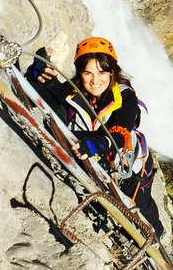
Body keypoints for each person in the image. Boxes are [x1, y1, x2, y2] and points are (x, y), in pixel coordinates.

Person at [26, 37, 164, 237]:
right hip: (100, 165)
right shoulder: (73, 89)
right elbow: (42, 100)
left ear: (112, 71)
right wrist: (35, 77)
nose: (95, 80)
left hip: (131, 171)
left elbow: (119, 135)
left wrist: (96, 144)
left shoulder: (125, 96)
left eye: (102, 72)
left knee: (143, 210)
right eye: (87, 72)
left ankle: (157, 239)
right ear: (79, 72)